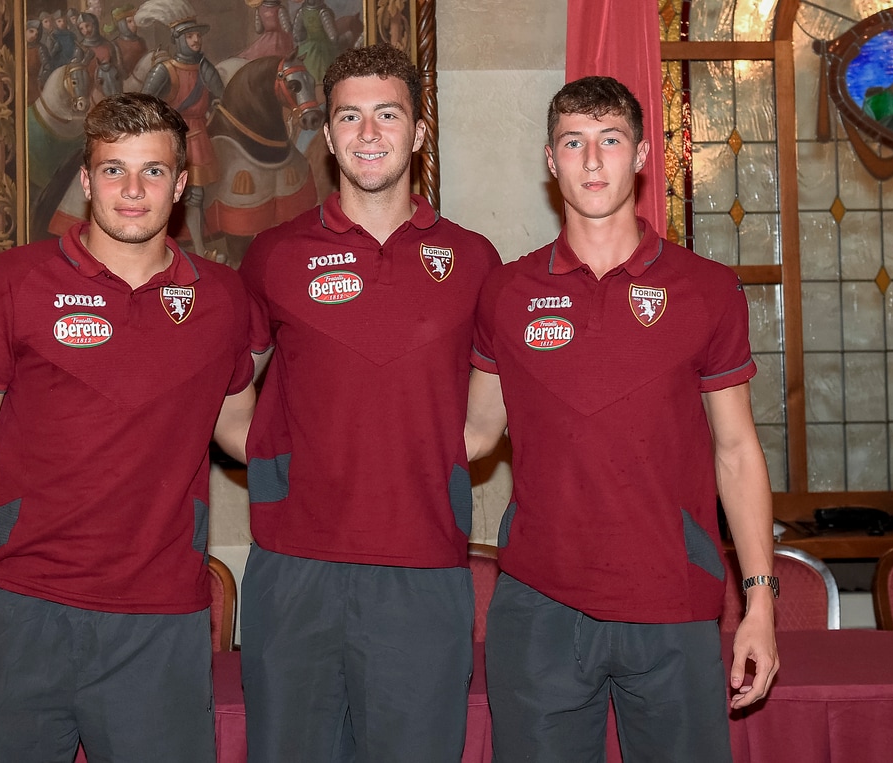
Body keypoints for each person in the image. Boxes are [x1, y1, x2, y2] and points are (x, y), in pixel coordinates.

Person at [0, 92, 255, 762]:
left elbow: (244, 431)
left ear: (181, 184)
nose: (133, 190)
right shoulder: (16, 280)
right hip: (22, 609)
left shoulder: (223, 298)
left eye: (153, 170)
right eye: (114, 170)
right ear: (85, 179)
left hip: (161, 622)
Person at [464, 75, 779, 761]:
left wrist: (760, 601)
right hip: (540, 603)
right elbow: (476, 433)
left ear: (640, 155)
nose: (591, 160)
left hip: (671, 598)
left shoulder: (707, 290)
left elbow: (736, 451)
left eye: (610, 140)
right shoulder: (506, 291)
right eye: (573, 142)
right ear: (550, 160)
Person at [237, 43, 501, 763]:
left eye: (388, 114)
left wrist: (426, 460)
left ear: (418, 132)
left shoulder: (475, 261)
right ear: (327, 136)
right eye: (349, 117)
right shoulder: (274, 254)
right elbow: (226, 395)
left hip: (423, 567)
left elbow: (488, 420)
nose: (368, 133)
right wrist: (275, 459)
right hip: (294, 570)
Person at [140, 16, 225, 257]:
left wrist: (215, 104)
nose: (196, 40)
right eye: (190, 36)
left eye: (198, 35)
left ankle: (198, 249)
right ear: (178, 40)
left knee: (196, 195)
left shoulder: (206, 68)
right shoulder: (164, 70)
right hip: (170, 136)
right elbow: (143, 104)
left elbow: (221, 96)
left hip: (198, 136)